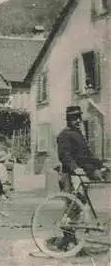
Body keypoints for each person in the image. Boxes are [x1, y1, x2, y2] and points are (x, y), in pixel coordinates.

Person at [55, 105, 107, 251]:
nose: (78, 121)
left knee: (80, 206)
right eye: (74, 118)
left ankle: (70, 239)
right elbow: (64, 155)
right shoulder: (64, 135)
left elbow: (87, 156)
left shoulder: (78, 134)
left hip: (81, 174)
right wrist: (74, 168)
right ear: (68, 120)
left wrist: (102, 164)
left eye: (79, 118)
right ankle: (68, 239)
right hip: (71, 174)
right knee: (73, 205)